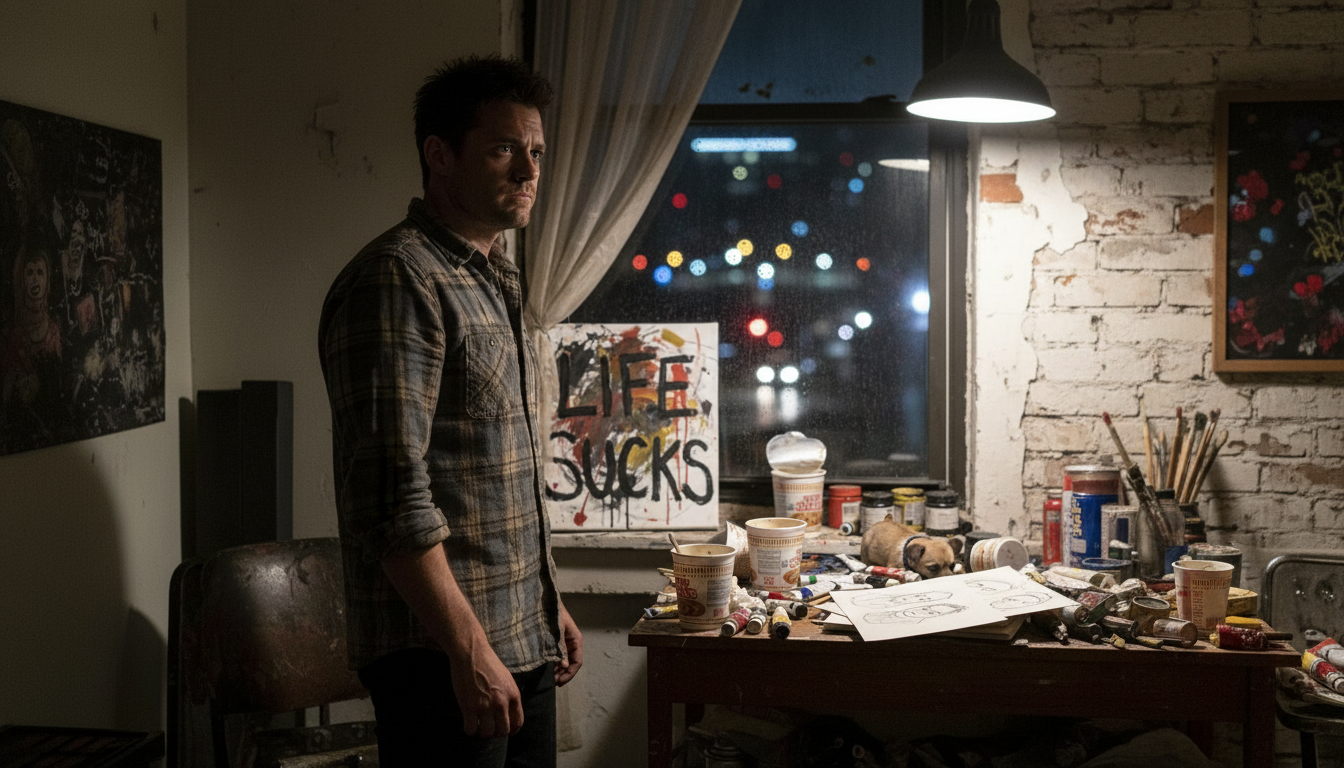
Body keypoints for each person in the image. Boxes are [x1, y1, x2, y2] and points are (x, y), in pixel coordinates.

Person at [318, 54, 582, 767]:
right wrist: (468, 648)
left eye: (536, 152)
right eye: (503, 149)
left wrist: (543, 602)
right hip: (439, 657)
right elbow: (390, 496)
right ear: (439, 155)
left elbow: (490, 472)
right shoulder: (398, 278)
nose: (529, 172)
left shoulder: (495, 278)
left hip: (518, 633)